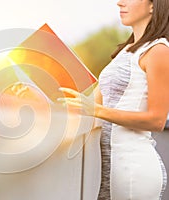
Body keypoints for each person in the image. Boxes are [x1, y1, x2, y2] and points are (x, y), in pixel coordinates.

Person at [58, 0, 169, 199]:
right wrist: (40, 98)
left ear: (154, 5)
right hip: (105, 170)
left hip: (133, 169)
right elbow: (86, 106)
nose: (119, 3)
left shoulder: (159, 50)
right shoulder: (124, 53)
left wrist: (98, 111)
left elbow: (157, 120)